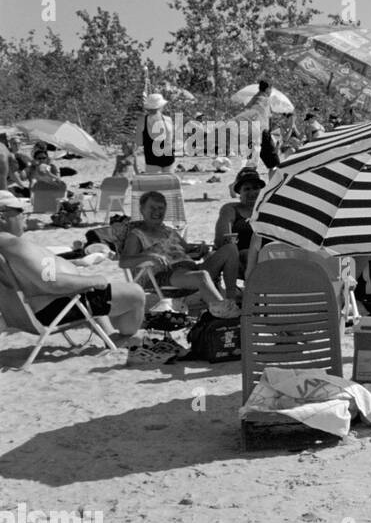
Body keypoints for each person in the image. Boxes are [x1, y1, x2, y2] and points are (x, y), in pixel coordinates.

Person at [0, 190, 146, 339]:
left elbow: (38, 272)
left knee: (89, 286)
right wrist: (94, 280)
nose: (23, 215)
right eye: (19, 210)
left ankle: (109, 335)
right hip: (56, 305)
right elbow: (51, 282)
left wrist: (76, 263)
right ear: (2, 216)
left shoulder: (7, 245)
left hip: (49, 302)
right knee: (136, 293)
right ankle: (124, 339)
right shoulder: (13, 244)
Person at [119, 191, 240, 314]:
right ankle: (226, 312)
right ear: (142, 210)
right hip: (164, 275)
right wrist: (148, 256)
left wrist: (199, 249)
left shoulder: (169, 231)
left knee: (230, 249)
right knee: (202, 276)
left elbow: (188, 249)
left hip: (189, 271)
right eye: (152, 207)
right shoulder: (137, 235)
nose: (157, 211)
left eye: (160, 208)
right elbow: (123, 262)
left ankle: (231, 300)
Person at [214, 167, 264, 279]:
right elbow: (220, 240)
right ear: (239, 192)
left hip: (265, 255)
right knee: (247, 254)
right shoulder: (230, 210)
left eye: (256, 188)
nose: (252, 192)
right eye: (247, 189)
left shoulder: (268, 210)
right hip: (237, 258)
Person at [139, 92, 176, 172]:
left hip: (152, 160)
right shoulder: (168, 119)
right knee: (168, 183)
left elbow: (139, 142)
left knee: (154, 184)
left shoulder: (142, 121)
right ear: (161, 106)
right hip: (168, 158)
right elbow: (170, 140)